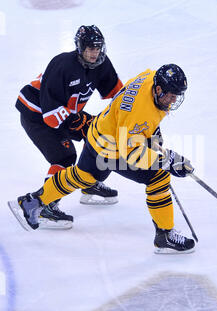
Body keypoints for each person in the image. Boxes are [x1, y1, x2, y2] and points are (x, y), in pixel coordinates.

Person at [10, 64, 196, 254]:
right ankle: (165, 235)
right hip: (112, 148)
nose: (173, 101)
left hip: (98, 132)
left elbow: (139, 121)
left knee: (82, 176)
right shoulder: (140, 111)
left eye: (177, 96)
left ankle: (32, 202)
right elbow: (131, 153)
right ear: (158, 89)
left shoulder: (150, 76)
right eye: (171, 95)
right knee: (158, 177)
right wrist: (167, 161)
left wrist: (152, 137)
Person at [15, 25, 123, 229]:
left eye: (97, 48)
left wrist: (132, 114)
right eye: (89, 48)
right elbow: (51, 118)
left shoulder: (101, 63)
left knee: (101, 135)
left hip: (63, 112)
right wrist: (79, 122)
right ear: (79, 47)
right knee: (64, 158)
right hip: (37, 114)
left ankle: (89, 183)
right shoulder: (62, 65)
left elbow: (119, 95)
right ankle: (45, 206)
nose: (94, 53)